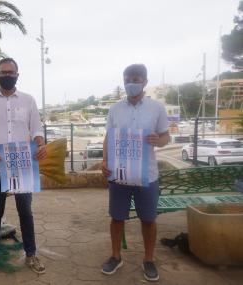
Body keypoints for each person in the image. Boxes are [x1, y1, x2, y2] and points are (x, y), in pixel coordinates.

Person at [0, 58, 47, 279]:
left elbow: (36, 130)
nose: (7, 75)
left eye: (11, 72)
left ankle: (31, 254)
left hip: (22, 168)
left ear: (17, 74)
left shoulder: (28, 101)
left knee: (26, 212)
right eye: (3, 72)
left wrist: (41, 144)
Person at [101, 64, 169, 282]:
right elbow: (108, 138)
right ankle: (115, 255)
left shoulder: (156, 108)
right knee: (117, 217)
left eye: (136, 78)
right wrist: (104, 160)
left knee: (148, 219)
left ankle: (148, 259)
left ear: (145, 81)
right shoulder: (115, 109)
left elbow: (166, 137)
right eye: (128, 78)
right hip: (119, 174)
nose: (131, 82)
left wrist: (158, 141)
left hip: (147, 175)